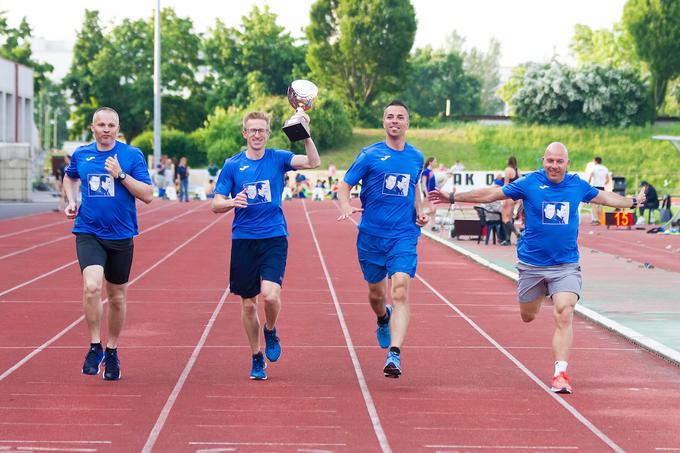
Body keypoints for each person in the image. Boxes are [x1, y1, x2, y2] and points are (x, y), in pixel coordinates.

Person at [428, 142, 646, 394]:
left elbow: (604, 196)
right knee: (528, 315)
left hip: (565, 265)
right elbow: (493, 194)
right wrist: (453, 197)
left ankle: (560, 373)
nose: (554, 166)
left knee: (565, 311)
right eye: (550, 161)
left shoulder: (577, 185)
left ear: (567, 163)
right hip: (532, 265)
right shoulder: (529, 183)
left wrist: (631, 202)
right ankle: (541, 291)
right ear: (543, 161)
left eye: (559, 161)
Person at [212, 110, 320, 380]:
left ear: (268, 134)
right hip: (243, 239)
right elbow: (216, 203)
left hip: (273, 236)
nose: (257, 135)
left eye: (262, 130)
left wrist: (305, 136)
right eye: (253, 130)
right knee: (248, 305)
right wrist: (231, 202)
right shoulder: (232, 165)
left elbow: (313, 162)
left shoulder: (278, 158)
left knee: (270, 295)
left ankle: (270, 329)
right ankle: (256, 355)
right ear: (244, 134)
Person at [337, 100, 429, 378]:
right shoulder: (369, 155)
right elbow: (344, 185)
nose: (395, 121)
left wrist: (420, 211)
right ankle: (382, 318)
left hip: (403, 235)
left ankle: (395, 353)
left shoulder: (416, 157)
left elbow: (414, 187)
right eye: (390, 117)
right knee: (377, 295)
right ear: (383, 122)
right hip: (371, 236)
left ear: (408, 123)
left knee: (400, 289)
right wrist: (344, 204)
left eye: (400, 117)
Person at [62, 107, 153, 381]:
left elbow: (148, 195)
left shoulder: (131, 155)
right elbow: (69, 176)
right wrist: (71, 199)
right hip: (89, 231)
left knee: (116, 297)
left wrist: (121, 175)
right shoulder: (82, 154)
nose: (106, 129)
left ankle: (111, 349)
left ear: (117, 128)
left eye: (110, 125)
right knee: (91, 287)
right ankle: (94, 345)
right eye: (101, 124)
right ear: (93, 128)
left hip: (121, 235)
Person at [501, 156, 522, 245]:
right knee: (509, 219)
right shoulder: (518, 171)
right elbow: (520, 183)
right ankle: (507, 239)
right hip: (516, 197)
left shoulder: (508, 170)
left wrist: (504, 198)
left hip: (509, 196)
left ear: (508, 161)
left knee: (504, 219)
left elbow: (506, 184)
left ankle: (517, 233)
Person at [588, 156, 610, 224]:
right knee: (600, 204)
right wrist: (603, 183)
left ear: (596, 161)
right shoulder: (605, 168)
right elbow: (608, 179)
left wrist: (588, 186)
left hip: (595, 187)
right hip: (602, 187)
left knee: (593, 204)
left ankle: (595, 219)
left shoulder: (594, 168)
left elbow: (590, 178)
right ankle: (601, 219)